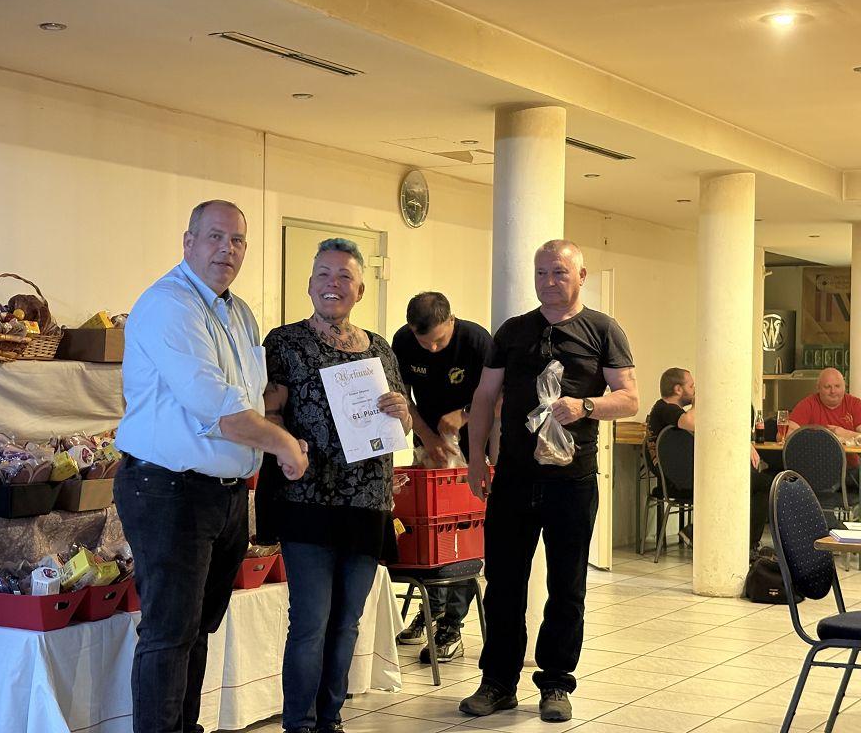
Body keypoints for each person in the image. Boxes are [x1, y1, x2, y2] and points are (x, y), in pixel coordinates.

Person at [114, 200, 309, 733]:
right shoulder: (168, 305)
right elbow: (219, 408)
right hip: (167, 489)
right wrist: (285, 446)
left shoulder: (239, 312)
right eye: (215, 237)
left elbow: (249, 398)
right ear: (188, 242)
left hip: (224, 493)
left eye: (238, 240)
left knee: (198, 627)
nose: (228, 249)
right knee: (169, 632)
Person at [458, 239, 638, 723]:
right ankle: (497, 683)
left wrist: (586, 406)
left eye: (559, 272)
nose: (549, 282)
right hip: (514, 479)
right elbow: (484, 396)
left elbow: (629, 398)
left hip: (571, 481)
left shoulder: (603, 330)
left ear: (581, 276)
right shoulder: (513, 331)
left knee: (567, 586)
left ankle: (556, 682)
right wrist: (475, 459)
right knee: (503, 584)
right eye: (541, 273)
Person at [258, 238, 411, 733]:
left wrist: (403, 414)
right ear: (309, 285)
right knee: (310, 622)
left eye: (344, 276)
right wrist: (283, 446)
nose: (333, 284)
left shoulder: (381, 349)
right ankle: (299, 724)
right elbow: (269, 413)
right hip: (307, 501)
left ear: (360, 290)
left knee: (347, 622)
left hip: (367, 503)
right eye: (324, 274)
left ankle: (331, 719)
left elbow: (401, 423)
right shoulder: (284, 343)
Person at [391, 292, 492, 663]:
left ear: (451, 320)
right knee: (430, 531)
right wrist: (429, 438)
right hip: (430, 445)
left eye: (439, 340)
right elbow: (402, 397)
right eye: (425, 342)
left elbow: (498, 394)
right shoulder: (404, 341)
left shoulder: (476, 340)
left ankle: (453, 622)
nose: (432, 348)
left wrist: (463, 414)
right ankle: (431, 609)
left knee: (461, 532)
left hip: (475, 445)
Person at [645, 368, 772, 553]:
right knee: (761, 484)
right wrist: (698, 402)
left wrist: (743, 442)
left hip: (682, 476)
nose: (695, 389)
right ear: (678, 389)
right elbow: (693, 423)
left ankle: (699, 531)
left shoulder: (666, 410)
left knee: (747, 481)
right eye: (692, 386)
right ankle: (746, 545)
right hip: (679, 480)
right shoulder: (666, 409)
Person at [788, 367, 861, 472]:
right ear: (818, 388)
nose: (833, 391)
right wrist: (824, 438)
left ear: (844, 387)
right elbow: (785, 435)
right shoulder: (808, 404)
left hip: (849, 468)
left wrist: (846, 434)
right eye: (827, 387)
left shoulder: (855, 404)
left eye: (837, 386)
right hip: (815, 467)